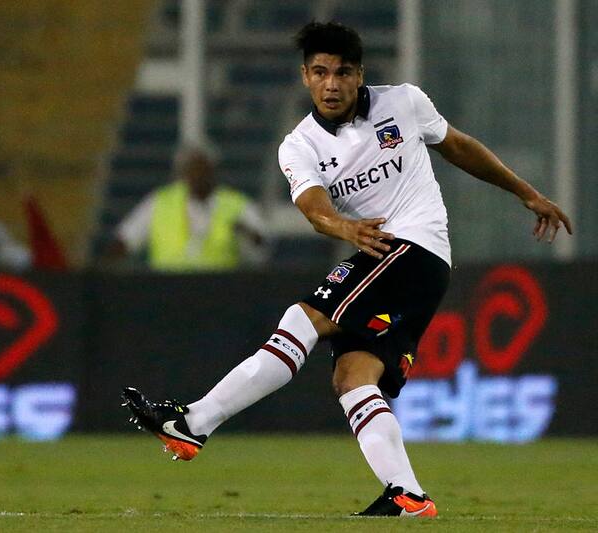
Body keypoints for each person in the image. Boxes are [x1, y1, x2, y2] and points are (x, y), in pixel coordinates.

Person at [122, 21, 572, 517]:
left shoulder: (404, 102)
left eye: (342, 72)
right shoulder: (299, 145)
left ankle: (195, 422)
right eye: (320, 72)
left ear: (360, 75)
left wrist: (527, 193)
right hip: (384, 254)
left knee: (303, 319)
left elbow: (459, 146)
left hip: (413, 247)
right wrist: (343, 227)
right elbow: (313, 207)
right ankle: (407, 495)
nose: (331, 84)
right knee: (353, 377)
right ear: (305, 77)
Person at [106, 142, 267, 271]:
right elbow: (127, 239)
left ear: (212, 169)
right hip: (167, 290)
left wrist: (245, 232)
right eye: (192, 169)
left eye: (201, 168)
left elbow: (261, 250)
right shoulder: (160, 202)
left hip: (219, 291)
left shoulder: (236, 204)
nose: (197, 175)